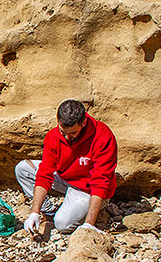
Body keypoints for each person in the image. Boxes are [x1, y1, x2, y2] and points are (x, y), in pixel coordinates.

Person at [15, 99, 118, 234]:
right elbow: (44, 174)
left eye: (73, 133)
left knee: (63, 224)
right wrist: (35, 212)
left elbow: (100, 182)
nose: (67, 137)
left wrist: (89, 224)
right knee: (23, 169)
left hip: (88, 189)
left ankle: (87, 211)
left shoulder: (103, 136)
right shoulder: (54, 136)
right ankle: (48, 211)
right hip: (66, 178)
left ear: (84, 123)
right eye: (63, 132)